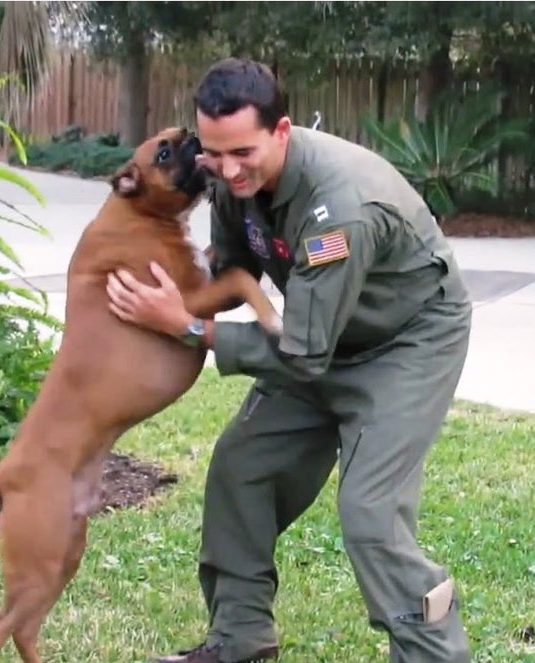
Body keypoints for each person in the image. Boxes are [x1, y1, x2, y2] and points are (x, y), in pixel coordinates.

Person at [105, 58, 475, 663]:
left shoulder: (342, 209)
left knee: (369, 514)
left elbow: (304, 355)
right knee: (241, 467)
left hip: (406, 342)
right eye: (214, 155)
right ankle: (241, 637)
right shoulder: (230, 176)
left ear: (281, 131)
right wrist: (164, 291)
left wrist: (186, 327)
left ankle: (434, 654)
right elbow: (235, 271)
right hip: (318, 332)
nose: (225, 170)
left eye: (242, 153)